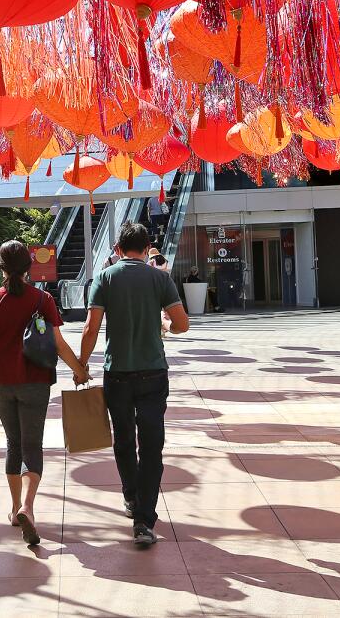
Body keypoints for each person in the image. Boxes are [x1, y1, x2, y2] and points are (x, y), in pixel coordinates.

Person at [0, 240, 89, 546]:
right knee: (32, 444)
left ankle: (13, 508)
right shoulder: (43, 299)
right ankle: (28, 506)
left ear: (0, 268)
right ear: (29, 267)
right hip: (35, 380)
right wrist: (79, 370)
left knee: (13, 442)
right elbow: (59, 344)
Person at [79, 222, 189, 547]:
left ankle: (130, 497)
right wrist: (164, 322)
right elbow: (182, 325)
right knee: (152, 446)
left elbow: (91, 328)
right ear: (147, 248)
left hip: (118, 374)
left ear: (117, 249)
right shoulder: (160, 278)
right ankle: (144, 520)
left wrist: (81, 365)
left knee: (124, 440)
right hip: (154, 373)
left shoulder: (104, 278)